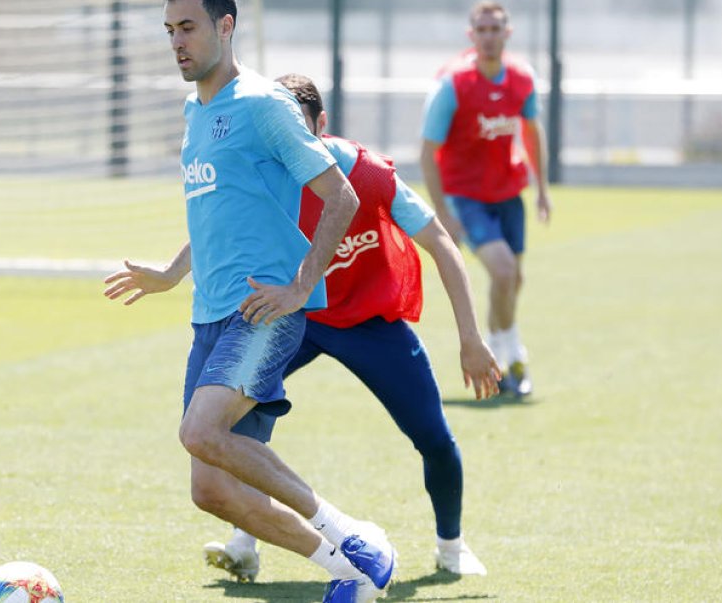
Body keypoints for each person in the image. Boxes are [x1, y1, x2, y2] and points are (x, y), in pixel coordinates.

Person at [104, 0, 394, 602]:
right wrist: (170, 273)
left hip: (263, 310)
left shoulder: (265, 104)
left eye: (188, 27)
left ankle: (348, 533)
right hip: (208, 315)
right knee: (210, 490)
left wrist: (300, 287)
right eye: (169, 30)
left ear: (225, 25)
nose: (176, 42)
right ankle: (349, 572)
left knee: (199, 431)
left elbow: (340, 197)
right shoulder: (195, 110)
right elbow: (219, 209)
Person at [200, 73, 501, 583]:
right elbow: (214, 225)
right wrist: (171, 273)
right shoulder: (261, 171)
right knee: (228, 421)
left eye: (297, 128)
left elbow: (441, 243)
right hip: (295, 317)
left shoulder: (368, 174)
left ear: (321, 125)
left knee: (433, 436)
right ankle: (244, 542)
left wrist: (471, 339)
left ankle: (451, 546)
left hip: (368, 321)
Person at [418, 0, 551, 396]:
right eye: (482, 30)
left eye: (496, 30)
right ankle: (514, 356)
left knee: (512, 280)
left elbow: (532, 132)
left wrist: (542, 189)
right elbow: (427, 152)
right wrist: (442, 212)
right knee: (504, 272)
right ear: (471, 35)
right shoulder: (452, 86)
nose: (489, 37)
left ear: (507, 34)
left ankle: (500, 357)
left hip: (508, 192)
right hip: (466, 196)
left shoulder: (522, 79)